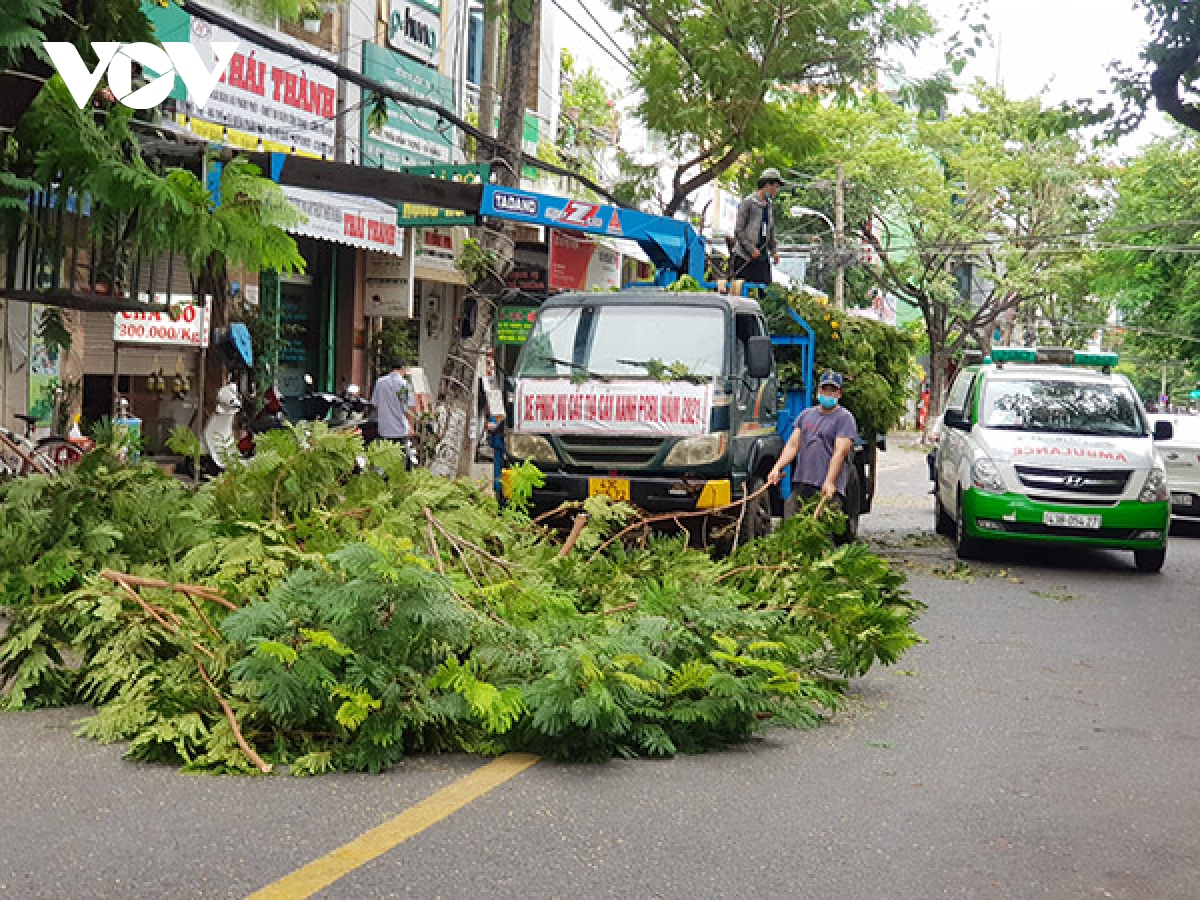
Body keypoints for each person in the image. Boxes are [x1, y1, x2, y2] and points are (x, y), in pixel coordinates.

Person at [767, 370, 858, 526]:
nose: (828, 393)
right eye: (825, 389)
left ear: (839, 393)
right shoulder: (805, 415)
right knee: (792, 528)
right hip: (802, 483)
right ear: (818, 391)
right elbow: (793, 445)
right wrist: (777, 468)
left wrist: (829, 482)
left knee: (821, 532)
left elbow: (839, 453)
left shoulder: (844, 419)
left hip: (827, 489)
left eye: (832, 390)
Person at [731, 167, 783, 285]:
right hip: (744, 257)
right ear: (767, 185)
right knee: (741, 289)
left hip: (762, 256)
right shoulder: (748, 203)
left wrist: (774, 251)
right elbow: (739, 230)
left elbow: (770, 231)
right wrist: (751, 249)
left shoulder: (769, 206)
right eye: (775, 186)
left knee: (766, 288)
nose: (776, 190)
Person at [370, 356, 417, 465]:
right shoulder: (404, 385)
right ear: (403, 368)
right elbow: (409, 408)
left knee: (385, 460)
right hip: (400, 430)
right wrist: (411, 427)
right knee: (399, 462)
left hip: (384, 429)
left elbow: (375, 404)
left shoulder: (380, 382)